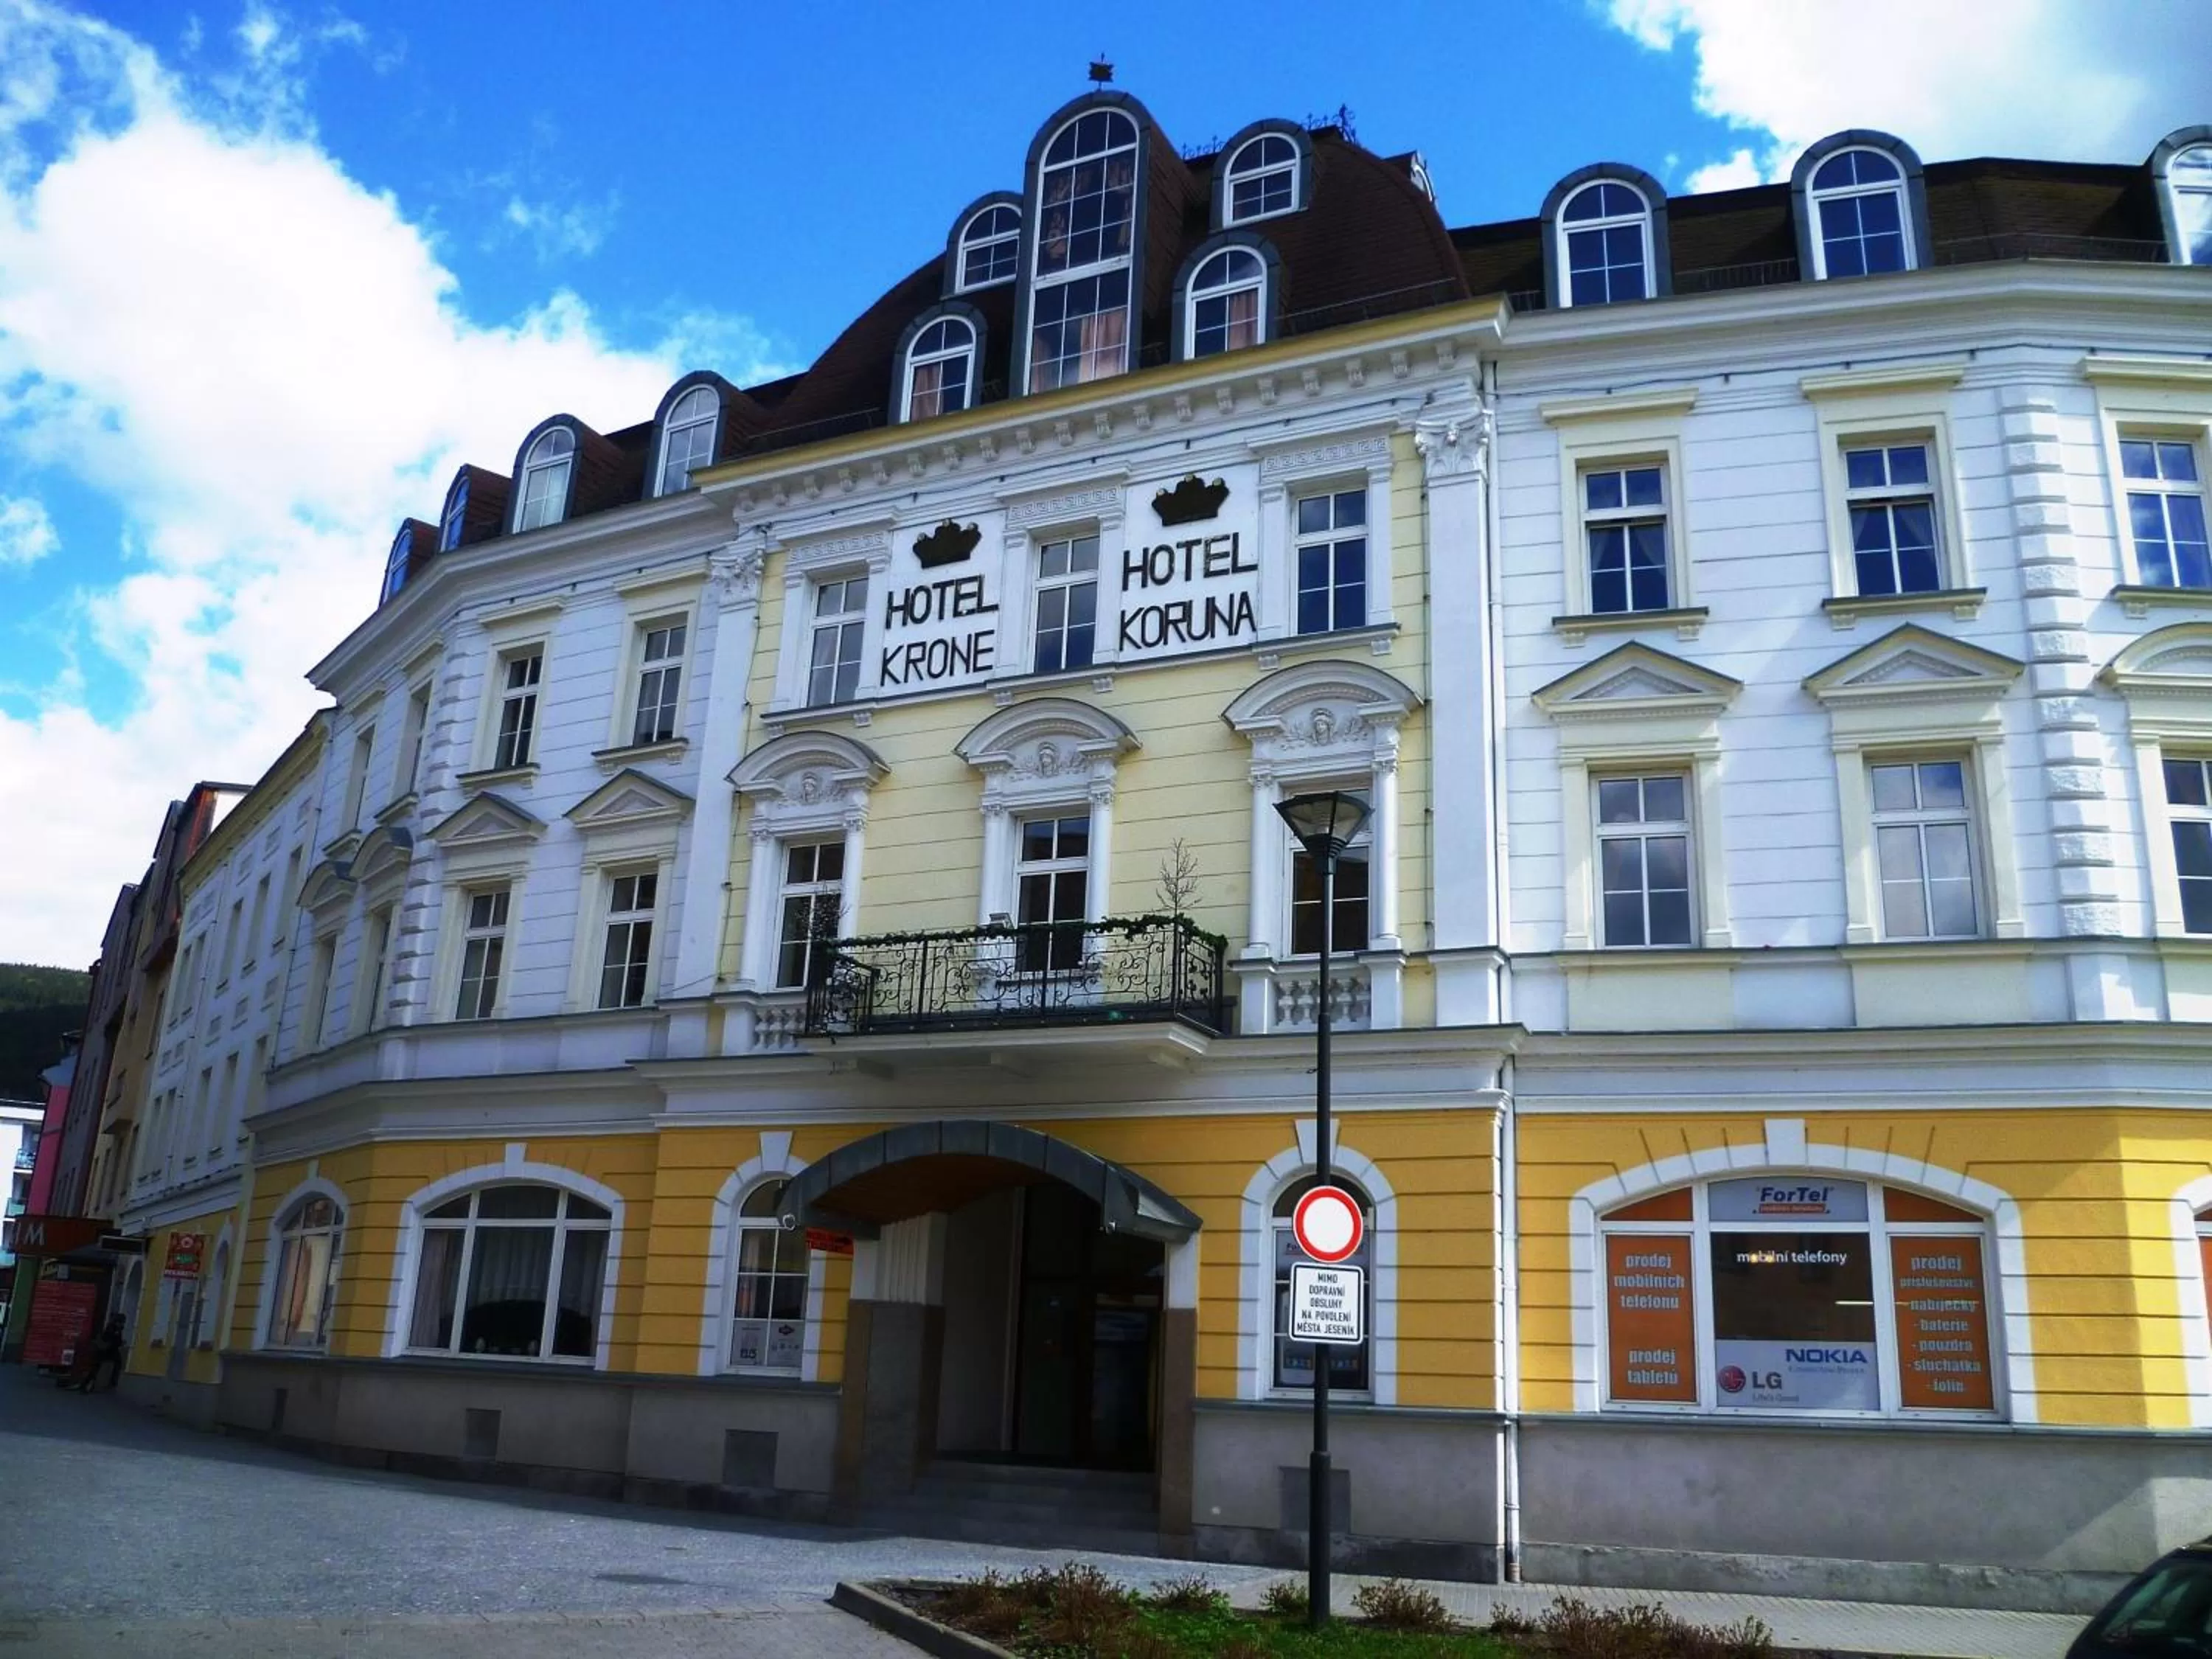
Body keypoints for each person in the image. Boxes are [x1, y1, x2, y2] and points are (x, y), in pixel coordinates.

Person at [78, 1315, 125, 1393]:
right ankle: (88, 1385)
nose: (123, 1324)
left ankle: (87, 1385)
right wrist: (120, 1342)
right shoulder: (113, 1328)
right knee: (98, 1367)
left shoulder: (114, 1328)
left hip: (107, 1350)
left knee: (97, 1367)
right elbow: (112, 1340)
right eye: (122, 1322)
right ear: (118, 1322)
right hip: (106, 1350)